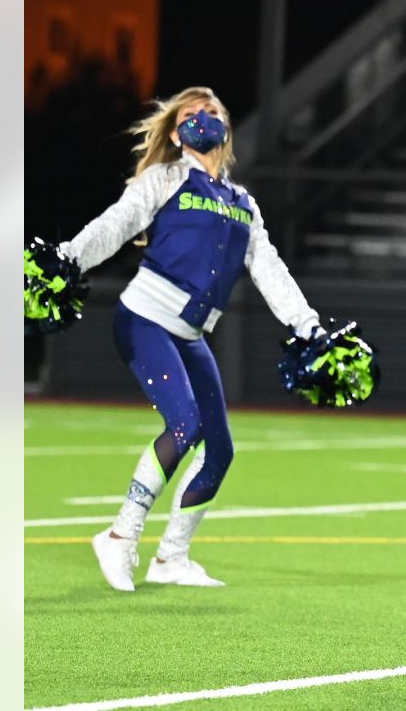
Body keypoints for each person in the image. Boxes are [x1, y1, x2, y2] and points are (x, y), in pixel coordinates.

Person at [57, 87, 327, 591]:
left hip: (190, 334)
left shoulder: (243, 202)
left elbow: (271, 271)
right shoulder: (164, 179)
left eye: (215, 112)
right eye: (192, 114)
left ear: (226, 127)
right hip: (145, 319)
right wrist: (69, 257)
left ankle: (171, 558)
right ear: (177, 131)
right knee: (184, 426)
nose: (205, 119)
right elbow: (116, 226)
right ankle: (119, 536)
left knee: (219, 450)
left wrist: (308, 326)